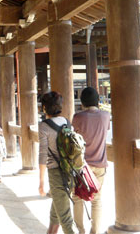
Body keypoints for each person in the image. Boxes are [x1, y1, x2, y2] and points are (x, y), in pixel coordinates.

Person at [72, 87, 110, 234]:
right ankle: (95, 231)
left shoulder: (78, 117)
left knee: (77, 198)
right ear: (97, 100)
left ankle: (80, 231)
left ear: (82, 101)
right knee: (97, 200)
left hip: (81, 166)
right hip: (100, 164)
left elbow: (73, 137)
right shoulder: (106, 116)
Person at [38, 91, 77, 234]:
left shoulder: (44, 126)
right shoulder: (67, 122)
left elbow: (43, 155)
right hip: (70, 171)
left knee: (66, 219)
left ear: (44, 108)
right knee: (56, 212)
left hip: (55, 172)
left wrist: (41, 182)